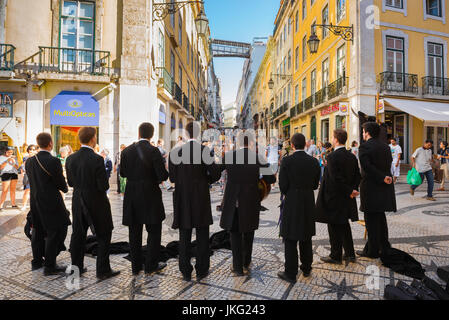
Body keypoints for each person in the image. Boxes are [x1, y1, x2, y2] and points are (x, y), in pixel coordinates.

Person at [169, 122, 221, 281]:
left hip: (183, 196)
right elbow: (215, 174)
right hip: (200, 196)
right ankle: (201, 269)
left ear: (185, 134)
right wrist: (206, 179)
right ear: (199, 135)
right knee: (202, 233)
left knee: (184, 233)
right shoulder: (204, 151)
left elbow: (172, 177)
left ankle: (185, 269)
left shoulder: (176, 152)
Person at [66, 127, 119, 280]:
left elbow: (70, 182)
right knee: (103, 233)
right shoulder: (97, 159)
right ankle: (103, 270)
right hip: (96, 200)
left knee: (78, 234)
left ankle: (76, 267)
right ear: (93, 139)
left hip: (77, 198)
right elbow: (104, 186)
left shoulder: (70, 158)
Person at [220, 133, 275, 276]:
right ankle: (246, 261)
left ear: (237, 144)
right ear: (251, 144)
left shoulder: (229, 157)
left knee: (235, 234)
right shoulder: (258, 158)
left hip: (233, 201)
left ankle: (237, 267)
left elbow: (215, 172)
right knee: (249, 231)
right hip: (250, 200)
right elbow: (270, 178)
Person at [120, 123, 169, 275]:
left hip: (132, 194)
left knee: (134, 231)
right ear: (151, 135)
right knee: (154, 230)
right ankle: (150, 265)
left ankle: (136, 267)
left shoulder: (126, 151)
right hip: (150, 194)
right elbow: (163, 176)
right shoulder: (154, 151)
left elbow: (122, 173)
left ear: (138, 133)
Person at [277, 133, 321, 283]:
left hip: (292, 201)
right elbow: (316, 184)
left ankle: (290, 272)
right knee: (306, 234)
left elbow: (282, 185)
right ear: (305, 145)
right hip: (308, 200)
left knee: (290, 237)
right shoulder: (314, 161)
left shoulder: (287, 161)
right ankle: (307, 267)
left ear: (293, 145)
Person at [26, 133, 70, 275]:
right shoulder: (53, 161)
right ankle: (50, 266)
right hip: (51, 202)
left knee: (37, 230)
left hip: (35, 201)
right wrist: (65, 187)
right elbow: (61, 184)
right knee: (55, 231)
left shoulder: (29, 161)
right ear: (50, 143)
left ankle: (37, 261)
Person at [315, 130, 361, 264]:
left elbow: (335, 179)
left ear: (335, 140)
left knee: (334, 226)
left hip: (334, 197)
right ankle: (350, 253)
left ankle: (335, 255)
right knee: (344, 225)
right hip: (347, 197)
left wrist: (349, 190)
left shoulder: (332, 157)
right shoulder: (352, 156)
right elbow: (358, 175)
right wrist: (353, 189)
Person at [357, 122, 396, 259]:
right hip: (384, 188)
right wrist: (385, 177)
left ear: (367, 132)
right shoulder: (385, 146)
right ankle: (384, 246)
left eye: (363, 132)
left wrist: (381, 177)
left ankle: (372, 251)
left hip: (371, 188)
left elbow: (366, 167)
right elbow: (388, 163)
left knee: (371, 221)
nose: (362, 134)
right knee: (380, 219)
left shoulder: (365, 146)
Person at [21, 145, 38, 211]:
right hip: (28, 176)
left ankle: (35, 206)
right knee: (27, 191)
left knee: (36, 192)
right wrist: (22, 174)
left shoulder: (37, 158)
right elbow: (24, 167)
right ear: (28, 150)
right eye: (30, 149)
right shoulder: (26, 158)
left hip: (36, 176)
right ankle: (24, 205)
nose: (31, 151)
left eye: (33, 149)